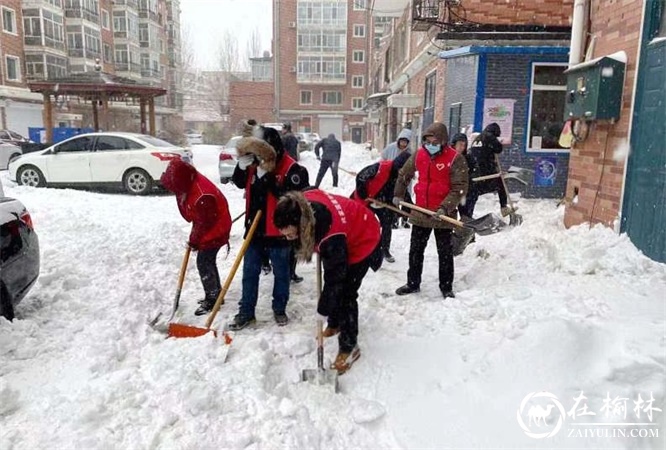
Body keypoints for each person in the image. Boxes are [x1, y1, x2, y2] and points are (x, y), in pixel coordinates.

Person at [273, 189, 382, 374]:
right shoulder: (301, 205)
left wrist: (322, 310)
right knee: (334, 283)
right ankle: (335, 323)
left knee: (347, 291)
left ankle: (349, 347)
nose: (289, 239)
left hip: (363, 236)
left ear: (302, 226)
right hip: (347, 227)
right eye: (285, 235)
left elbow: (335, 279)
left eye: (291, 234)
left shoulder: (331, 236)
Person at [229, 122, 310, 330]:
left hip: (279, 232)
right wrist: (240, 167)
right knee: (249, 272)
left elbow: (293, 198)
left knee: (282, 273)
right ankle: (246, 311)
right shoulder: (253, 163)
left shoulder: (292, 168)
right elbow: (239, 183)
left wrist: (268, 179)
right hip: (254, 229)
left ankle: (279, 307)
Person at [392, 122, 468, 299]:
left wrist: (445, 207)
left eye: (434, 143)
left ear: (443, 141)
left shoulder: (455, 159)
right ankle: (412, 283)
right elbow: (404, 174)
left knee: (445, 253)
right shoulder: (419, 155)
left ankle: (446, 286)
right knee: (416, 250)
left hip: (443, 215)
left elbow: (460, 188)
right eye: (427, 142)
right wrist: (398, 194)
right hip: (420, 211)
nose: (430, 146)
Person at [160, 158, 232, 316]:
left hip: (216, 227)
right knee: (207, 260)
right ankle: (215, 293)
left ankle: (213, 298)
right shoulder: (189, 181)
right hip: (210, 222)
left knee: (204, 261)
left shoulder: (202, 195)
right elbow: (197, 217)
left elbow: (204, 223)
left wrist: (194, 241)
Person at [351, 151, 411, 263]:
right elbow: (361, 177)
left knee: (387, 225)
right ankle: (362, 248)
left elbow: (403, 193)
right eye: (401, 169)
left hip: (384, 203)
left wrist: (409, 209)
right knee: (364, 224)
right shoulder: (380, 167)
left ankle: (385, 250)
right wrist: (364, 194)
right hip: (368, 199)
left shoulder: (401, 177)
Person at [468, 123, 512, 217]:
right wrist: (498, 143)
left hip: (475, 173)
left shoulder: (478, 138)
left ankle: (468, 214)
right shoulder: (490, 136)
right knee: (501, 183)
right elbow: (498, 149)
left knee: (474, 193)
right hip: (486, 171)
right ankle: (503, 207)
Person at [450, 133, 477, 256]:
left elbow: (473, 173)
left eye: (464, 145)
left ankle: (466, 239)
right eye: (459, 144)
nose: (461, 147)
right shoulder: (448, 157)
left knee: (466, 215)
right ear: (454, 144)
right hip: (452, 191)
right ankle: (453, 237)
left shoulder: (469, 158)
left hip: (467, 192)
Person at [380, 128, 413, 228]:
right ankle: (394, 220)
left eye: (405, 142)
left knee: (406, 200)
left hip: (404, 180)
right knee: (393, 199)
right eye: (402, 141)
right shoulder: (391, 148)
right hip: (392, 178)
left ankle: (404, 219)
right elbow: (383, 158)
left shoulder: (410, 152)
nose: (403, 144)